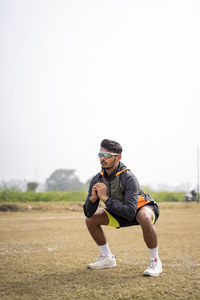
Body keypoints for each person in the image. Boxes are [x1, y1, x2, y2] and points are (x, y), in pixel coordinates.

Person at [83, 139, 163, 277]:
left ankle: (155, 261)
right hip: (120, 210)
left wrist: (106, 199)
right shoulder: (97, 179)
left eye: (107, 155)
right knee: (90, 220)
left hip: (142, 208)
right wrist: (92, 200)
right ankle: (107, 258)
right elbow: (88, 213)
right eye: (100, 154)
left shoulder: (129, 177)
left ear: (118, 157)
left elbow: (131, 212)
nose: (102, 158)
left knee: (143, 216)